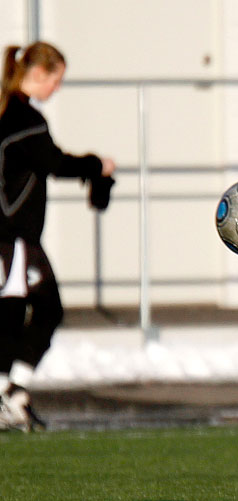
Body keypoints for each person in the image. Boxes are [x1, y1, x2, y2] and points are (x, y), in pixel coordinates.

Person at [0, 41, 116, 431]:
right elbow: (55, 163)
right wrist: (97, 165)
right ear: (38, 74)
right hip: (12, 238)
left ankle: (12, 392)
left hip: (16, 239)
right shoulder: (23, 121)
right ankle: (10, 390)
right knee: (37, 310)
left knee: (23, 312)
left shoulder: (12, 116)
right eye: (57, 80)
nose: (58, 89)